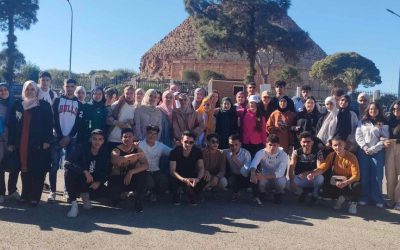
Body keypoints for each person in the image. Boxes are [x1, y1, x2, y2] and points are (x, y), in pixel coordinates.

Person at [8, 80, 53, 206]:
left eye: (32, 89)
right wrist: (11, 142)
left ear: (37, 91)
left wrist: (47, 140)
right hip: (21, 141)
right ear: (24, 90)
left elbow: (49, 125)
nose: (30, 91)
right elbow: (12, 125)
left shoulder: (43, 105)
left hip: (38, 142)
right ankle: (25, 195)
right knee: (24, 168)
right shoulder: (18, 104)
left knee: (37, 169)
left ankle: (35, 197)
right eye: (27, 89)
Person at [49, 79, 83, 202]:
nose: (69, 88)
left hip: (71, 139)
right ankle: (52, 191)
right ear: (64, 87)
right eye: (67, 86)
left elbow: (78, 123)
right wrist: (60, 136)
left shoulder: (79, 104)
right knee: (54, 166)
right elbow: (54, 119)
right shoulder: (57, 100)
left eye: (72, 86)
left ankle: (66, 190)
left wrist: (69, 136)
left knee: (68, 167)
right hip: (57, 137)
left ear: (75, 88)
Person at [307, 135, 361, 214]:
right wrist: (313, 173)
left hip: (349, 181)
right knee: (322, 191)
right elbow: (323, 167)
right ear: (332, 146)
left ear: (344, 145)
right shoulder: (331, 155)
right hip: (337, 180)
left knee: (357, 185)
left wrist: (345, 183)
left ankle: (353, 203)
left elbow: (356, 176)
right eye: (335, 145)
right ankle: (340, 198)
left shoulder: (352, 157)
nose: (337, 147)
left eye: (340, 144)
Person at [64, 129, 110, 218]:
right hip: (80, 178)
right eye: (95, 139)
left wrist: (99, 182)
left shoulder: (105, 153)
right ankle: (74, 204)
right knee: (68, 172)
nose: (97, 142)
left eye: (100, 139)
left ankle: (86, 195)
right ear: (90, 139)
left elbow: (106, 171)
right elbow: (67, 163)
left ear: (103, 141)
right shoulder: (82, 148)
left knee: (110, 194)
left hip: (92, 182)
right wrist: (84, 171)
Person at [355, 102, 388, 208]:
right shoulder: (362, 122)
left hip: (377, 152)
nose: (373, 111)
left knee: (377, 176)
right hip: (363, 151)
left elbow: (385, 138)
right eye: (371, 109)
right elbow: (358, 135)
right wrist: (364, 147)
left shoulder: (383, 122)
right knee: (364, 175)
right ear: (368, 110)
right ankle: (364, 197)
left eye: (375, 109)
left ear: (379, 110)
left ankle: (377, 199)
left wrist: (373, 149)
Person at [109, 128, 149, 213]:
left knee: (143, 174)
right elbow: (115, 160)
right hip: (118, 178)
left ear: (133, 138)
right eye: (125, 137)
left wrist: (131, 172)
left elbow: (146, 165)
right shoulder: (116, 150)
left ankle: (138, 201)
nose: (127, 139)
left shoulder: (137, 149)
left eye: (130, 137)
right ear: (121, 138)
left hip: (131, 177)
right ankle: (124, 194)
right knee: (114, 201)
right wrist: (133, 156)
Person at [169, 131, 207, 205]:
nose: (188, 144)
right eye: (186, 141)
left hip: (192, 177)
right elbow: (172, 171)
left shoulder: (197, 151)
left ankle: (193, 193)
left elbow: (201, 168)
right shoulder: (174, 152)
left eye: (191, 142)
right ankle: (177, 193)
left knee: (204, 178)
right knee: (171, 179)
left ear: (194, 142)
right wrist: (183, 179)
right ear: (181, 141)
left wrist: (197, 179)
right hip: (178, 177)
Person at [249, 134, 289, 205]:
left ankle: (278, 194)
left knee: (281, 182)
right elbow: (254, 163)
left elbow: (280, 173)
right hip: (265, 178)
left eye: (274, 145)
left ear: (278, 145)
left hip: (276, 178)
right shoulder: (261, 152)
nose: (272, 147)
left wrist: (263, 177)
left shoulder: (284, 155)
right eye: (270, 145)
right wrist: (252, 173)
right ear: (266, 144)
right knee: (257, 177)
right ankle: (262, 193)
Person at [288, 132, 324, 203]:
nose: (306, 144)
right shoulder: (296, 152)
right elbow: (291, 167)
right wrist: (292, 181)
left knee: (320, 178)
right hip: (300, 178)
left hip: (312, 177)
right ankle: (302, 193)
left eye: (308, 142)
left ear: (312, 142)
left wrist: (308, 173)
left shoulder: (318, 152)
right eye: (304, 142)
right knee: (288, 184)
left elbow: (320, 168)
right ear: (300, 143)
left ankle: (314, 194)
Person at [138, 125, 171, 201]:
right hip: (143, 171)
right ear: (146, 133)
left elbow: (171, 152)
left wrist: (178, 146)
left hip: (156, 170)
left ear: (157, 135)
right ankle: (145, 192)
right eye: (150, 133)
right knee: (150, 184)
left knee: (164, 182)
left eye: (154, 134)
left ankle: (153, 193)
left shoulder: (160, 145)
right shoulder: (139, 145)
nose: (152, 136)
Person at [0, 83, 19, 203]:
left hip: (12, 137)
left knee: (15, 165)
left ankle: (12, 190)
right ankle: (1, 192)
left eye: (5, 89)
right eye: (0, 90)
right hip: (0, 139)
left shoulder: (16, 103)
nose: (3, 92)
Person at [223, 134, 256, 201]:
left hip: (245, 177)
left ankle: (256, 195)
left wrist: (236, 160)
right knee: (231, 180)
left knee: (253, 175)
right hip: (234, 176)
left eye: (236, 145)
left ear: (240, 144)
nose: (234, 147)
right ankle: (236, 192)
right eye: (231, 145)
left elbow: (246, 172)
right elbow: (217, 151)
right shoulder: (226, 152)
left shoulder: (246, 153)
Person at [384, 100, 400, 210]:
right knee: (390, 176)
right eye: (394, 109)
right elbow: (381, 133)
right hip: (390, 148)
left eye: (398, 109)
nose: (396, 111)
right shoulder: (389, 120)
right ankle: (392, 199)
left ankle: (399, 201)